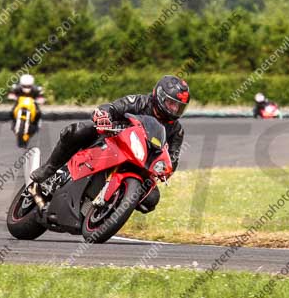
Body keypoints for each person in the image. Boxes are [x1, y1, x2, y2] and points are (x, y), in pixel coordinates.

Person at [30, 75, 190, 213]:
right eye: (171, 103)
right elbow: (112, 107)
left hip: (141, 163)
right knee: (77, 130)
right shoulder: (140, 102)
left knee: (151, 199)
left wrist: (166, 170)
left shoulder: (176, 131)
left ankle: (113, 207)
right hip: (112, 141)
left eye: (179, 106)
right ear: (159, 95)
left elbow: (172, 158)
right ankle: (50, 169)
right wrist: (104, 116)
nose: (174, 109)